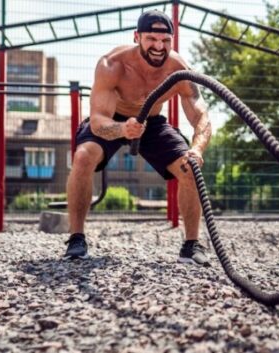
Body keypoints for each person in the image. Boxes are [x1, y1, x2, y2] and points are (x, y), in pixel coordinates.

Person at [63, 10, 212, 266]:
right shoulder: (112, 64)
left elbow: (202, 116)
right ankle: (76, 239)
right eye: (151, 39)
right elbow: (98, 120)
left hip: (151, 123)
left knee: (190, 168)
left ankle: (191, 245)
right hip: (113, 120)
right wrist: (122, 130)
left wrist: (197, 149)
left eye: (165, 41)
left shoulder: (179, 69)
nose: (158, 46)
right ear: (137, 37)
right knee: (83, 155)